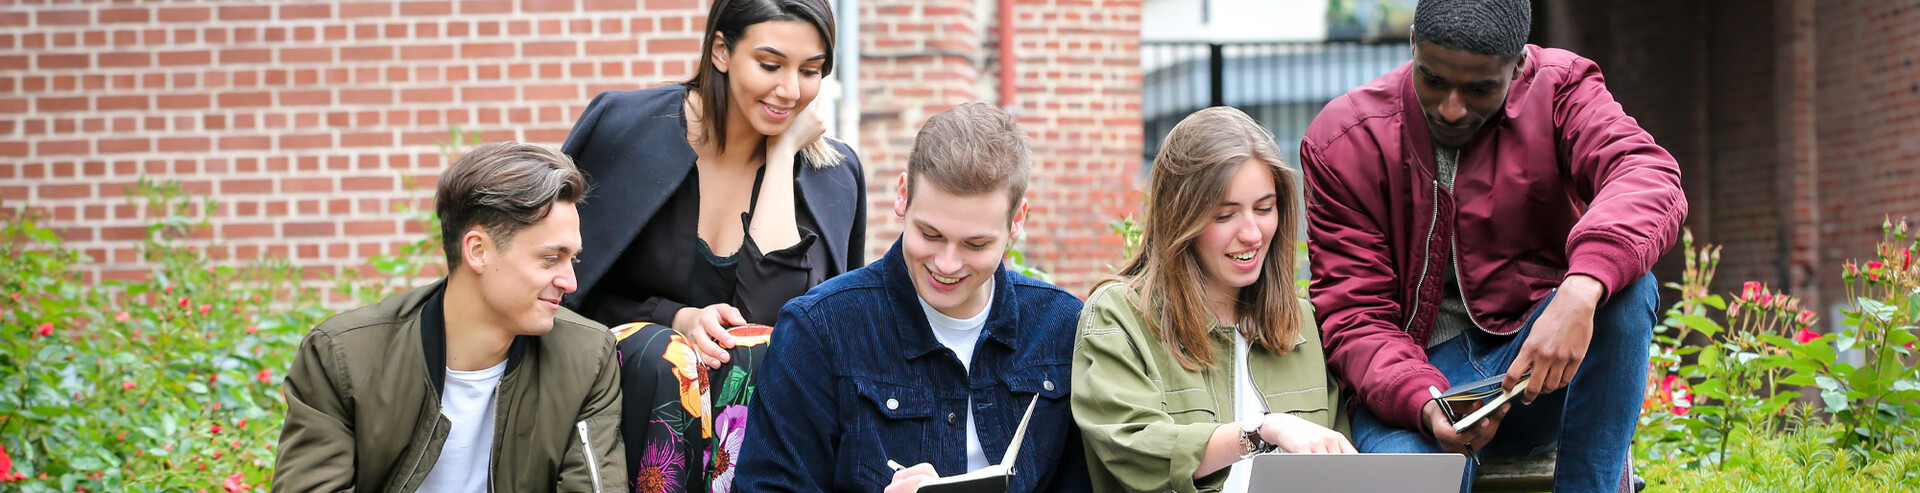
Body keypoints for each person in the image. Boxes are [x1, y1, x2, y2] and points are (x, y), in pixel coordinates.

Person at [1301, 0, 1687, 491]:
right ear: (1413, 43)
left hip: (1533, 371)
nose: (1452, 107)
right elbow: (1355, 314)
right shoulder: (1345, 140)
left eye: (1480, 88)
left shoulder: (1559, 88)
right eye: (1434, 80)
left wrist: (1582, 288)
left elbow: (1645, 173)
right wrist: (1422, 399)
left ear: (1519, 63)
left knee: (1627, 294)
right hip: (1409, 384)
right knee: (1410, 480)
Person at [558, 0, 864, 491]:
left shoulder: (834, 176)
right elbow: (564, 291)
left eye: (811, 71)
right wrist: (673, 318)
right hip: (621, 408)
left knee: (757, 350)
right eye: (770, 65)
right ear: (721, 50)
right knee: (663, 353)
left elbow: (773, 325)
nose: (790, 90)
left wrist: (782, 155)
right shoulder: (625, 129)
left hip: (766, 441)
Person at [733, 102, 1091, 493]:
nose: (947, 263)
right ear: (903, 195)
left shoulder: (1062, 327)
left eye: (976, 244)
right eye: (930, 235)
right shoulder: (820, 330)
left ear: (1017, 220)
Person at [273, 142, 624, 492]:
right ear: (478, 250)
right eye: (551, 258)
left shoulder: (587, 358)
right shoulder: (343, 356)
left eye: (573, 259)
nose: (571, 282)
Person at [1072, 107, 1352, 493]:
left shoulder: (1301, 322)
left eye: (1264, 208)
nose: (1252, 233)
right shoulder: (1119, 316)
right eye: (1225, 215)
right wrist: (1261, 431)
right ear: (1180, 218)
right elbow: (1135, 449)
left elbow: (1338, 469)